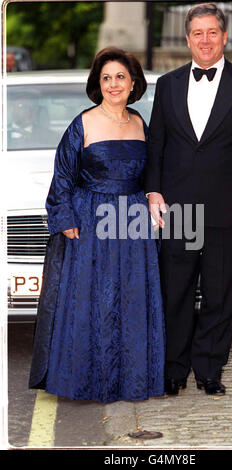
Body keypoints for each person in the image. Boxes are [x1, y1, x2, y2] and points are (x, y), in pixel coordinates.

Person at [145, 3, 232, 396]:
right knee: (176, 290)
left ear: (224, 36)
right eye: (197, 33)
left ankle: (210, 368)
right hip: (178, 208)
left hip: (227, 208)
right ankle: (173, 369)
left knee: (219, 293)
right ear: (187, 39)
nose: (205, 40)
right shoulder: (166, 84)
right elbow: (156, 145)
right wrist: (153, 190)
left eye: (212, 32)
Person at [29, 47, 165, 403]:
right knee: (95, 301)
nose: (113, 84)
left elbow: (152, 172)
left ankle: (130, 381)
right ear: (97, 84)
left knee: (131, 300)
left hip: (132, 220)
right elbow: (63, 177)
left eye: (120, 76)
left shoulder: (139, 123)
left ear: (133, 82)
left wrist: (153, 197)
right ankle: (88, 382)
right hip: (91, 220)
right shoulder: (84, 123)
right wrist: (65, 218)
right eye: (106, 78)